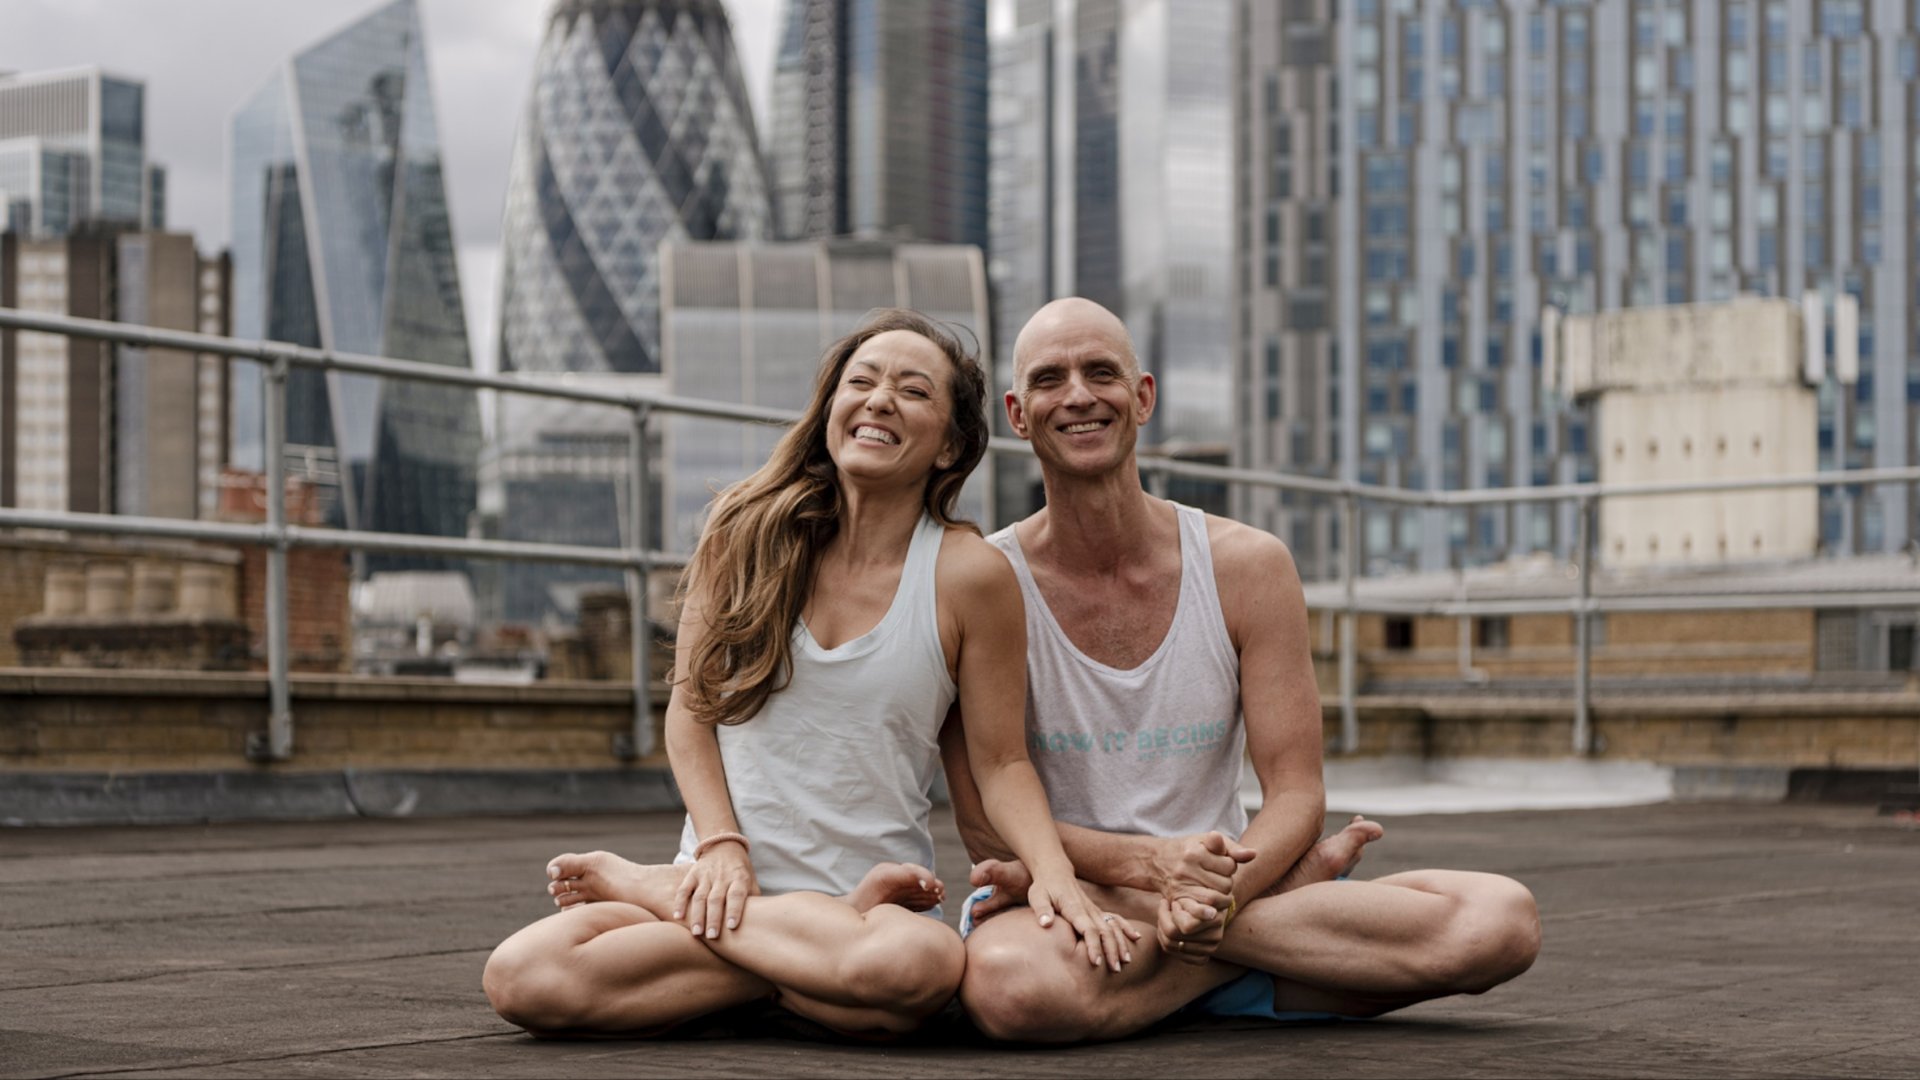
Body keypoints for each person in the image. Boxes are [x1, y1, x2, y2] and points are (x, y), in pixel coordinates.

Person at [483, 309, 1133, 1039]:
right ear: (831, 409)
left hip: (870, 918)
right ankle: (798, 965)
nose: (881, 399)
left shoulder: (968, 575)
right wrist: (723, 847)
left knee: (920, 967)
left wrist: (1054, 873)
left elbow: (1003, 761)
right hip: (724, 886)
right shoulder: (740, 531)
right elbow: (690, 716)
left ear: (951, 446)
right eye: (862, 381)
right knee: (520, 975)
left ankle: (674, 909)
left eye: (914, 391)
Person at [942, 297, 1542, 1043]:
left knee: (1501, 923)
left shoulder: (1247, 565)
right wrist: (1153, 872)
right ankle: (1270, 966)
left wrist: (1209, 907)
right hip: (1068, 917)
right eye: (1049, 379)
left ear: (1145, 397)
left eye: (1102, 372)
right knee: (1006, 986)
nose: (1079, 395)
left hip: (1226, 895)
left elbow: (1296, 793)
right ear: (1018, 414)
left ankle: (1189, 971)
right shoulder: (978, 581)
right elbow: (982, 823)